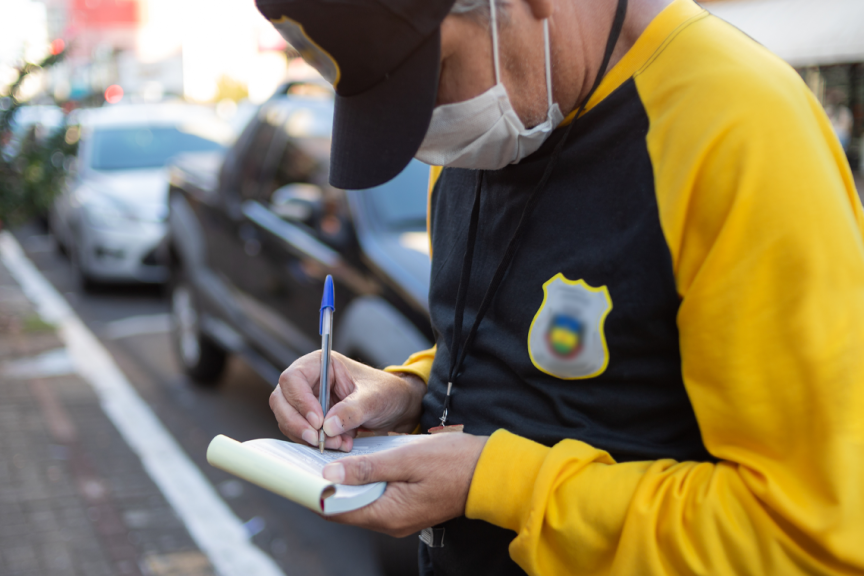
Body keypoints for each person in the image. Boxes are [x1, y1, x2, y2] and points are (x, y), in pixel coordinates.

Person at [256, 0, 864, 574]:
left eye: (432, 73)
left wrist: (493, 482)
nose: (422, 135)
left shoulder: (738, 126)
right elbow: (532, 358)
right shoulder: (494, 127)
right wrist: (410, 390)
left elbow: (806, 535)